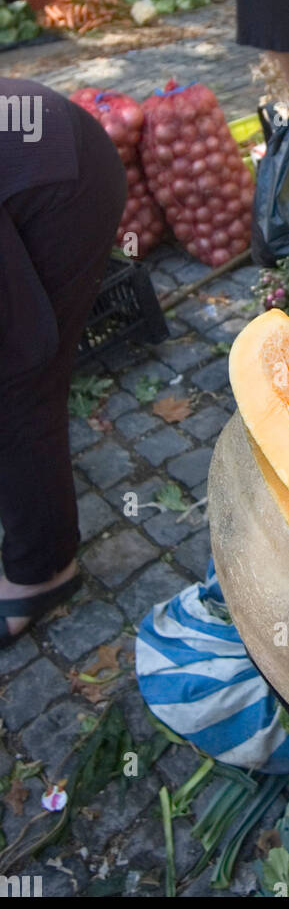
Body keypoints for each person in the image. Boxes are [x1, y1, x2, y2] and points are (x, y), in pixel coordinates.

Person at [0, 78, 127, 648]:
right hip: (37, 150)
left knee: (19, 384)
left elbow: (20, 338)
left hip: (68, 184)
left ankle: (44, 572)